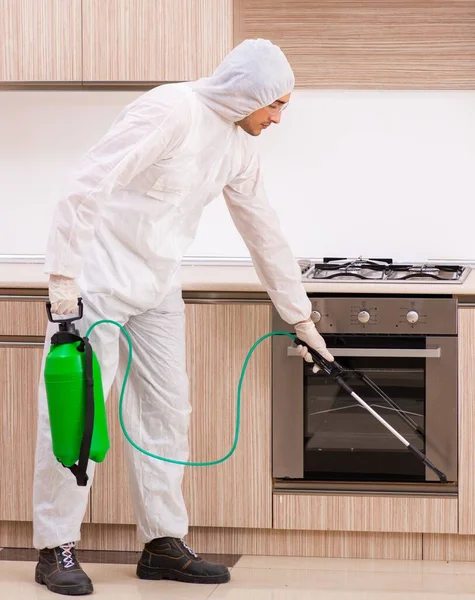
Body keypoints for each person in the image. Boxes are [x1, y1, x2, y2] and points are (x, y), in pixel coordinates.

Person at [33, 38, 334, 596]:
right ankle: (56, 547)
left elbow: (263, 231)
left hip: (157, 287)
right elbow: (87, 182)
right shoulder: (171, 110)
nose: (278, 118)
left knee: (168, 412)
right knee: (76, 416)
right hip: (96, 283)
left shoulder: (239, 147)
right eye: (278, 105)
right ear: (251, 92)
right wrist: (62, 281)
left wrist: (302, 320)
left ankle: (162, 543)